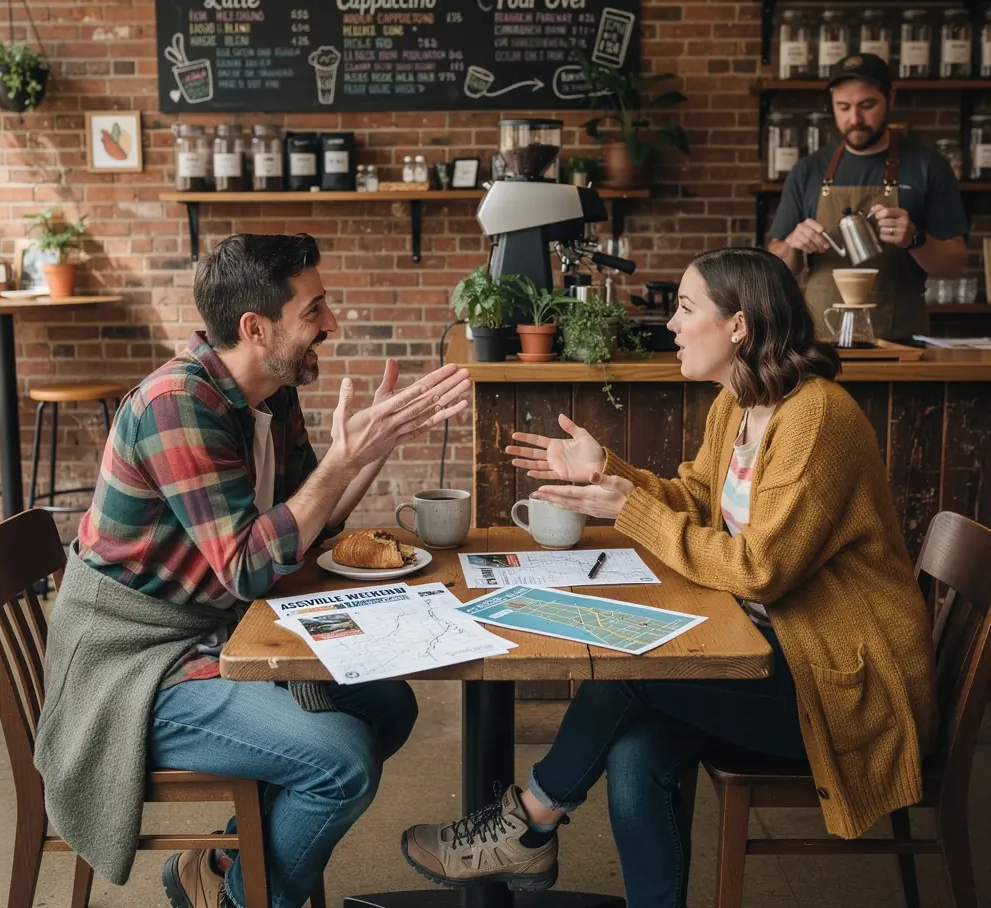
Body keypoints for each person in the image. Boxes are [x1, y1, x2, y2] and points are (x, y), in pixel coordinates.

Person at [401, 247, 936, 908]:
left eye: (686, 309)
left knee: (635, 667)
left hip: (842, 684)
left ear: (739, 325)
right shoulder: (737, 406)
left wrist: (627, 507)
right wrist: (607, 473)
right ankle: (538, 835)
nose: (673, 326)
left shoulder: (816, 419)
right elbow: (690, 499)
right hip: (771, 651)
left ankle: (528, 823)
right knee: (635, 758)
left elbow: (760, 569)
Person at [34, 233, 472, 908]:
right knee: (341, 760)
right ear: (254, 326)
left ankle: (216, 866)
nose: (331, 323)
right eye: (315, 309)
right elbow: (247, 566)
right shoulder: (176, 405)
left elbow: (304, 529)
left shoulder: (272, 396)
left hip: (210, 633)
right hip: (134, 666)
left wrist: (372, 450)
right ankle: (245, 899)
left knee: (388, 705)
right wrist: (341, 461)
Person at [767, 52, 968, 342]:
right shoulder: (808, 170)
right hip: (821, 342)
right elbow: (774, 268)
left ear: (890, 98)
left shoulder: (928, 167)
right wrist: (793, 245)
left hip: (901, 340)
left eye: (867, 105)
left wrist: (915, 238)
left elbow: (955, 265)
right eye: (843, 107)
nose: (855, 119)